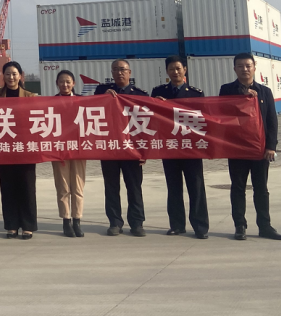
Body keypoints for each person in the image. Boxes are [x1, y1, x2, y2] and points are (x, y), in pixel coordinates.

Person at [220, 52, 281, 241]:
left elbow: (271, 121)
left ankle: (265, 226)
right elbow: (221, 114)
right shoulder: (226, 90)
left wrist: (271, 146)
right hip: (237, 148)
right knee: (238, 188)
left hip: (260, 150)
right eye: (240, 66)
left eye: (248, 66)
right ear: (234, 69)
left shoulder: (264, 92)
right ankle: (240, 226)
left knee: (261, 189)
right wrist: (242, 98)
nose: (245, 69)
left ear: (254, 68)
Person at [151, 56, 209, 239]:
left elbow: (205, 120)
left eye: (178, 68)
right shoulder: (158, 92)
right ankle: (177, 225)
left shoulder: (196, 94)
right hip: (169, 147)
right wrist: (156, 104)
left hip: (191, 147)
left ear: (185, 70)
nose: (175, 72)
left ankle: (200, 226)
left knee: (196, 187)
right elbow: (150, 117)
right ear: (167, 71)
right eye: (171, 69)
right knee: (174, 187)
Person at [94, 59, 148, 237]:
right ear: (111, 73)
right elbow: (90, 110)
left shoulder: (140, 95)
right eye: (116, 70)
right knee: (111, 187)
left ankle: (137, 223)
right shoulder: (102, 91)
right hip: (110, 148)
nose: (119, 73)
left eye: (123, 69)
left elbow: (147, 125)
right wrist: (102, 98)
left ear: (129, 72)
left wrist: (144, 152)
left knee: (134, 187)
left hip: (132, 149)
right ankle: (115, 222)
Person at [0, 61, 37, 239]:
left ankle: (28, 225)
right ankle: (11, 225)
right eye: (7, 74)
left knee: (27, 187)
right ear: (3, 76)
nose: (11, 77)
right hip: (5, 149)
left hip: (26, 148)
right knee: (7, 187)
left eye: (14, 74)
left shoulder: (30, 96)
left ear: (20, 76)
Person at [52, 70, 86, 238]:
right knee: (63, 187)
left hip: (79, 149)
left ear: (73, 83)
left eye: (68, 82)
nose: (65, 85)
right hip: (59, 150)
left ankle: (77, 220)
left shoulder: (82, 101)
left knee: (78, 187)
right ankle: (66, 221)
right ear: (57, 84)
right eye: (61, 82)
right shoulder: (50, 103)